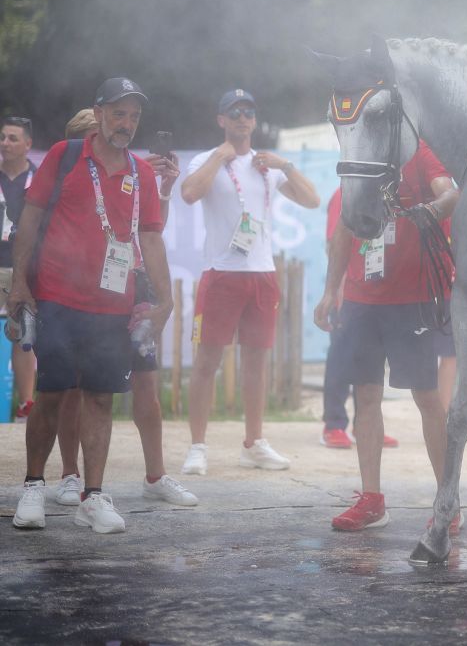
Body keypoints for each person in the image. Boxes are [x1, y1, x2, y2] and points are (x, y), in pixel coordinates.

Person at [7, 78, 174, 533]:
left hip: (112, 304)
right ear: (98, 113)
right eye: (118, 113)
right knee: (53, 393)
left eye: (134, 116)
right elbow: (31, 218)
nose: (126, 124)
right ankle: (34, 486)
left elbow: (152, 237)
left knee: (101, 397)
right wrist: (20, 284)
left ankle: (93, 495)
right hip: (58, 296)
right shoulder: (64, 156)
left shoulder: (140, 173)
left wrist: (166, 298)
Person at [48, 110, 196, 508]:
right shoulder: (70, 172)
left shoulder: (134, 173)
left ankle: (156, 475)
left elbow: (151, 231)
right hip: (83, 291)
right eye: (92, 136)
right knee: (75, 386)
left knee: (147, 382)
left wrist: (161, 187)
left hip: (133, 285)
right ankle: (68, 475)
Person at [313, 141, 458, 531]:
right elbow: (345, 226)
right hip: (362, 298)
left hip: (411, 298)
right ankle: (372, 499)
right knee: (366, 395)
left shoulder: (420, 153)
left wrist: (432, 209)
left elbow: (450, 192)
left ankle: (448, 500)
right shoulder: (361, 156)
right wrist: (331, 290)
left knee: (427, 397)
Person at [180, 89, 320, 475]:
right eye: (234, 112)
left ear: (255, 121)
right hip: (221, 272)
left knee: (257, 361)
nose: (242, 118)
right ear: (221, 119)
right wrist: (221, 156)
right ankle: (197, 446)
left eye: (249, 112)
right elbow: (190, 193)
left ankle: (254, 443)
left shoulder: (268, 166)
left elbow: (312, 200)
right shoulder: (206, 159)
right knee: (207, 361)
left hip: (262, 273)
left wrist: (286, 166)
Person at [318, 188, 398, 450]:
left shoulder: (390, 194)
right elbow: (334, 242)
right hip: (349, 290)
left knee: (370, 365)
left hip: (376, 293)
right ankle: (334, 424)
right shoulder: (345, 194)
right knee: (341, 357)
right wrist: (337, 288)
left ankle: (366, 424)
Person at [1, 115, 38, 419]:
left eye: (13, 138)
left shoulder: (38, 179)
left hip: (24, 267)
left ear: (28, 144)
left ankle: (26, 404)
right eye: (2, 137)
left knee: (23, 335)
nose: (5, 143)